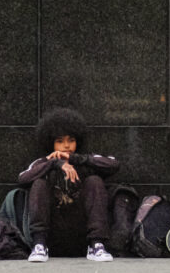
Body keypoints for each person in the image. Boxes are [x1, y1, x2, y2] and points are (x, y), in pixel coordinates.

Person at [15, 108, 116, 262]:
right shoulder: (44, 162)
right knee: (39, 183)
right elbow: (23, 179)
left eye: (71, 140)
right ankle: (39, 245)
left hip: (82, 230)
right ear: (51, 143)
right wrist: (54, 163)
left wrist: (77, 160)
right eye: (60, 141)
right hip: (53, 232)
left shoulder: (84, 159)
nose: (66, 146)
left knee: (94, 181)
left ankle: (97, 244)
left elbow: (113, 164)